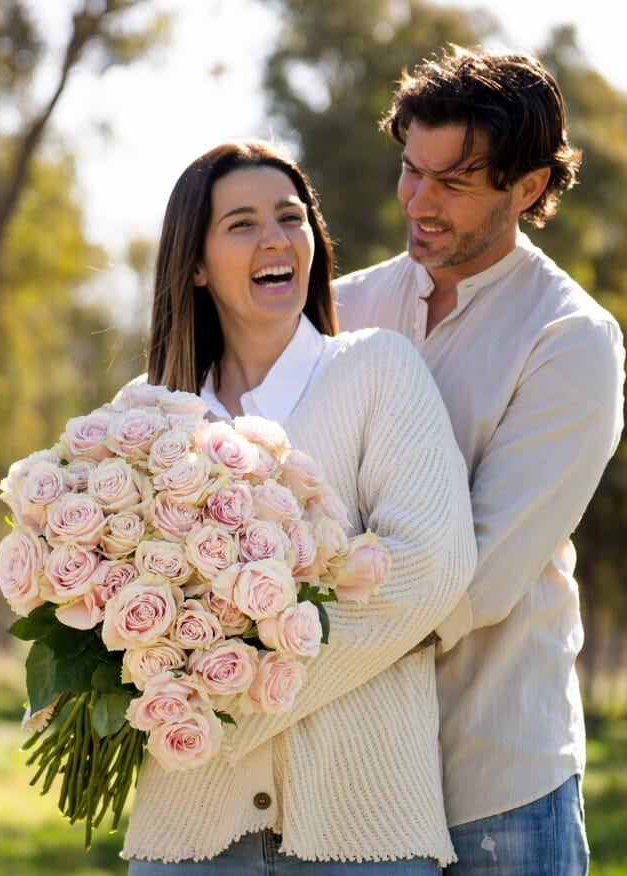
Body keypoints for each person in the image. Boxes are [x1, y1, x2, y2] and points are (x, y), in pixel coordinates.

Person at [121, 139, 476, 873]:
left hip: (364, 829)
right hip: (187, 838)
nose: (276, 239)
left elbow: (429, 568)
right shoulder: (147, 418)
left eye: (291, 217)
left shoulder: (380, 371)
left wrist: (229, 697)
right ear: (194, 263)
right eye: (242, 224)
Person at [336, 45, 626, 875]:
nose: (417, 202)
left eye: (452, 184)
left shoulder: (569, 342)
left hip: (494, 780)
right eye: (410, 170)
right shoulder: (343, 307)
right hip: (344, 780)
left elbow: (477, 579)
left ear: (528, 188)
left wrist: (282, 638)